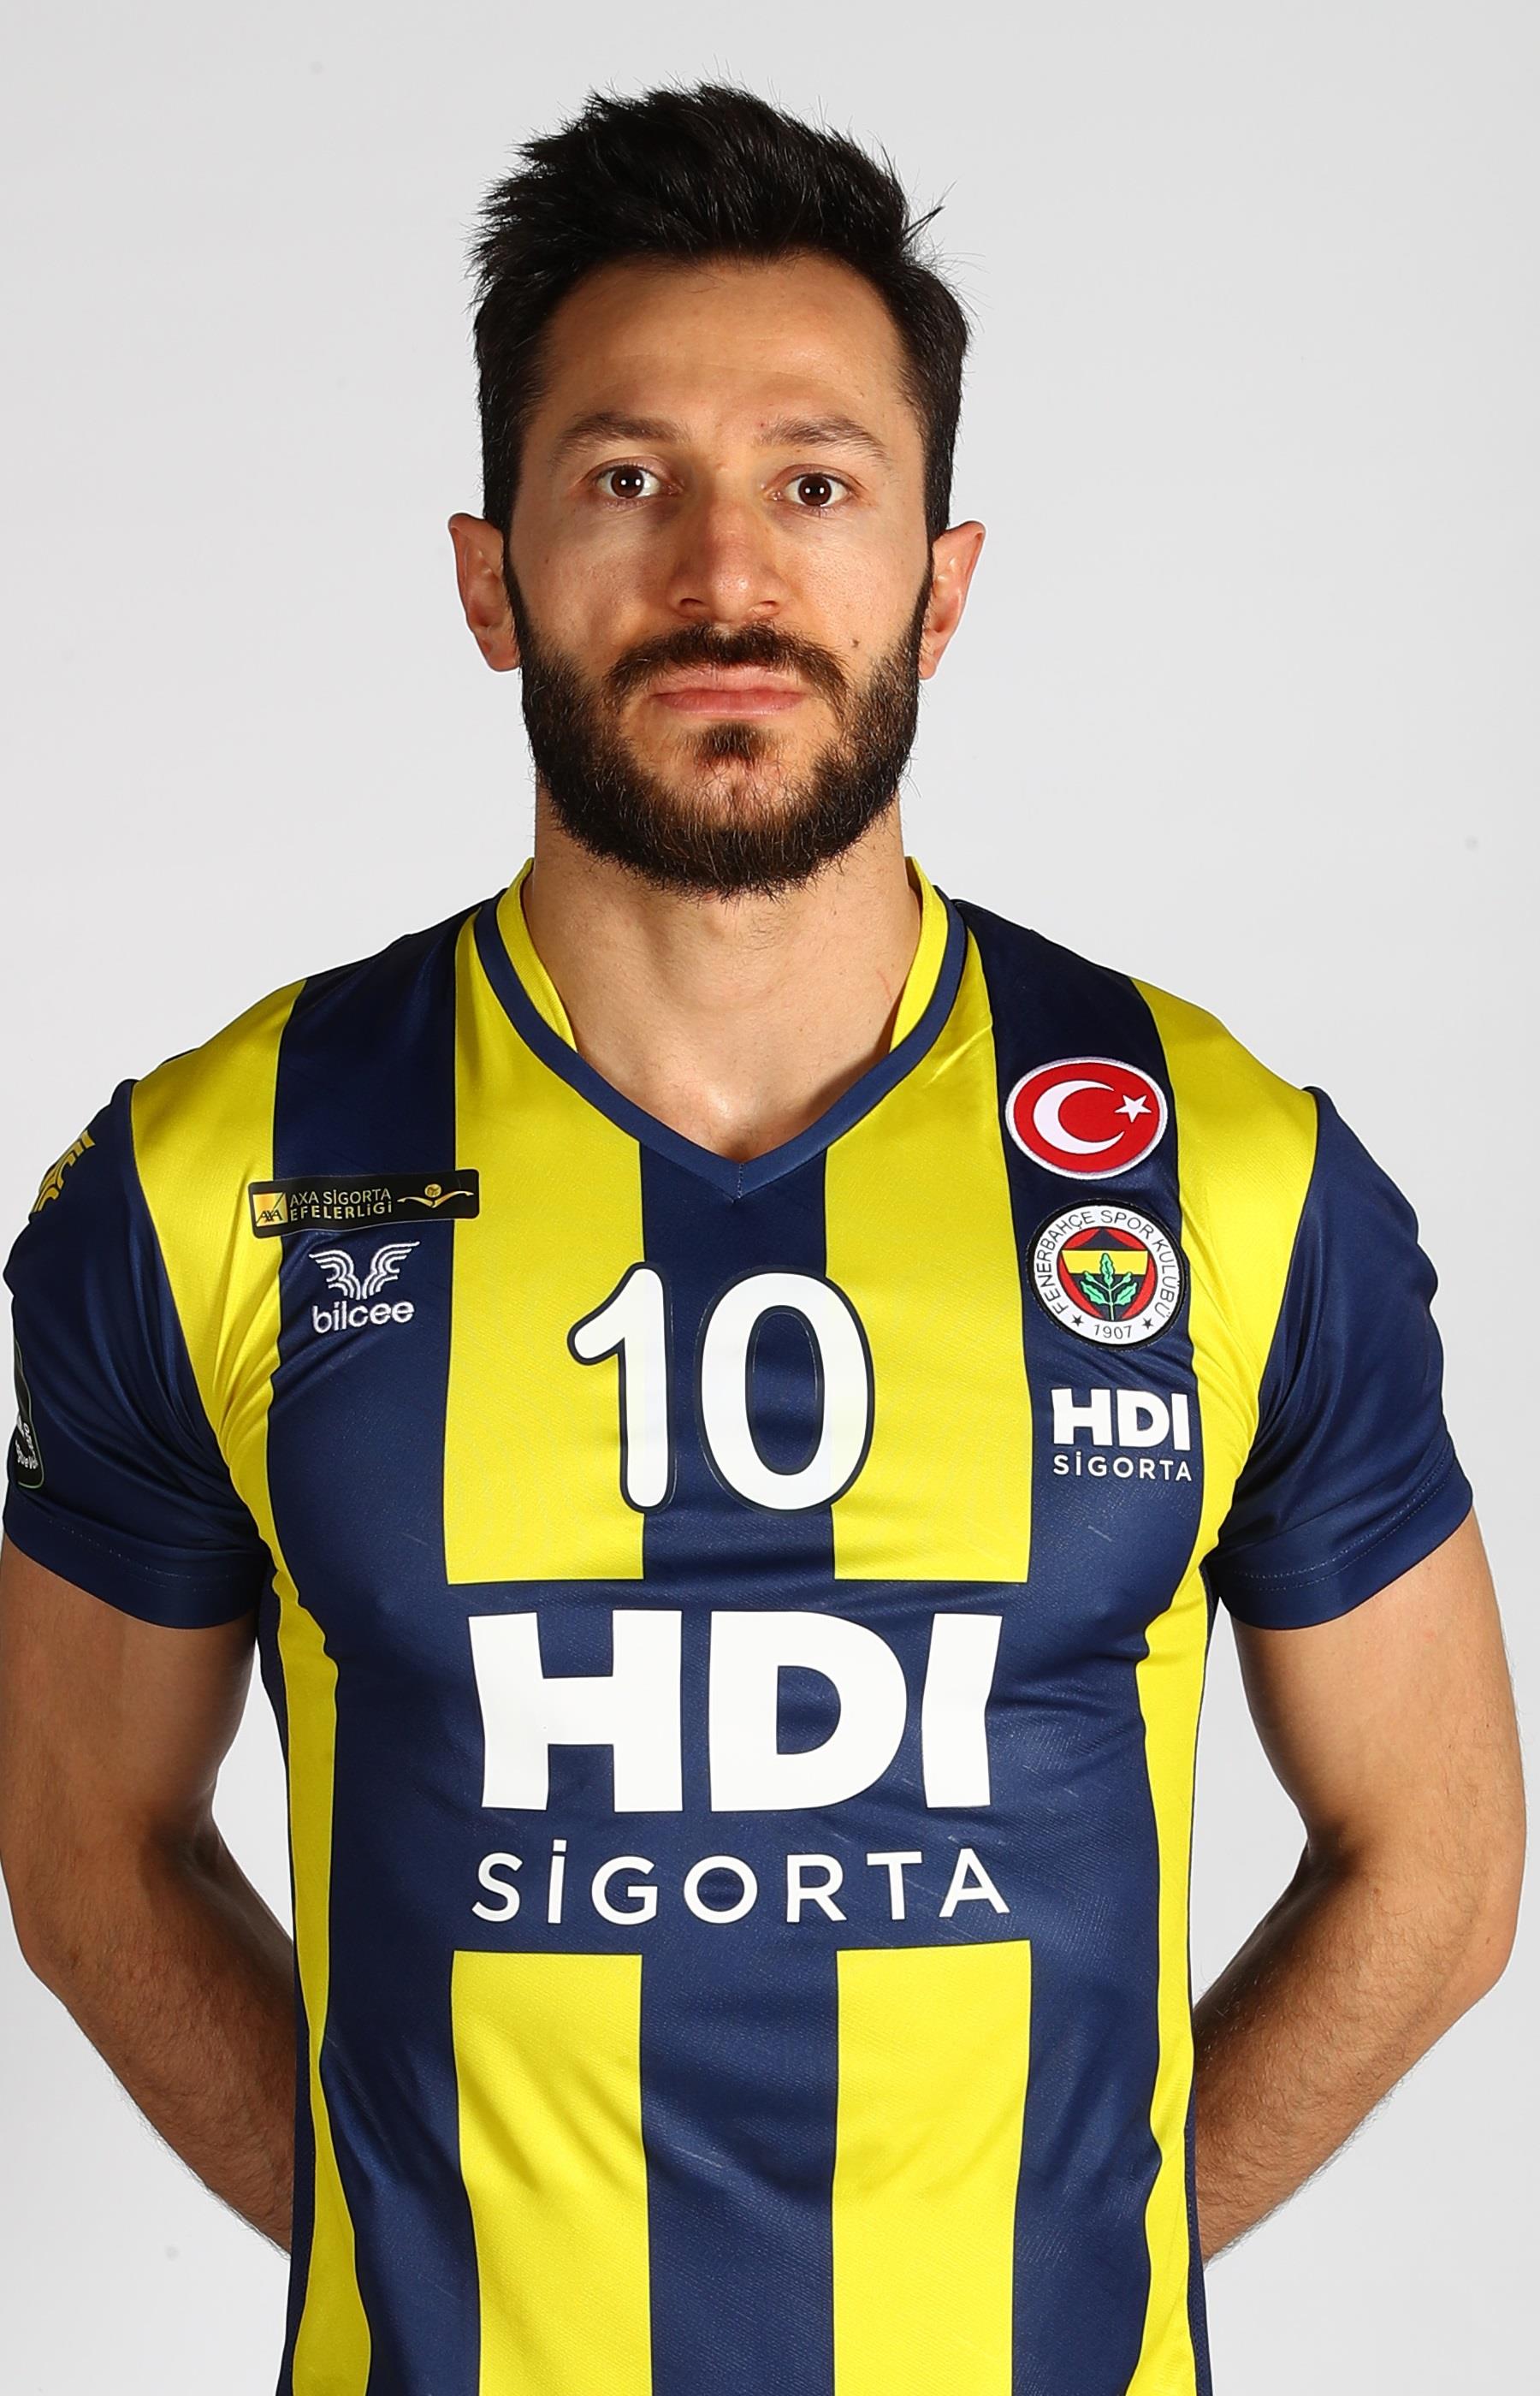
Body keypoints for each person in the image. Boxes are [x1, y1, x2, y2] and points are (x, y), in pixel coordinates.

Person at [0, 80, 1522, 2396]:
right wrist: (415, 2256)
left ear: (942, 582)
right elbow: (85, 1848)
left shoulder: (1230, 1176)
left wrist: (1080, 2253)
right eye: (627, 482)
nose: (726, 575)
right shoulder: (209, 1177)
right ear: (491, 575)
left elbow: (1441, 1869)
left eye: (817, 485)